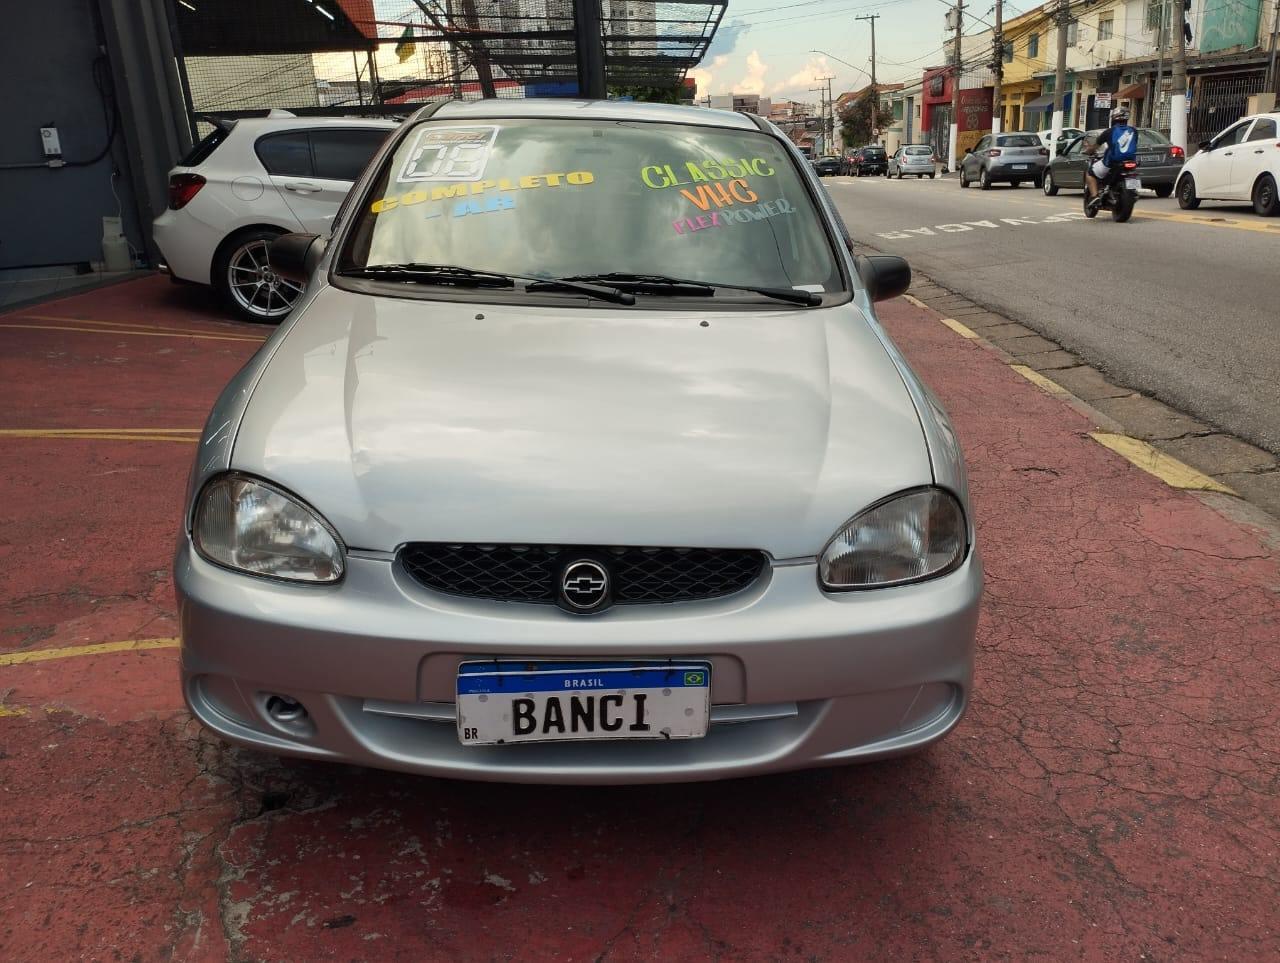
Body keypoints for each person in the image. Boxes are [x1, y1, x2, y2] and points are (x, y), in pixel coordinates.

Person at [1085, 107, 1138, 209]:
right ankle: (1133, 191)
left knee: (1090, 173)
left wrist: (1088, 151)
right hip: (1131, 162)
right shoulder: (1134, 131)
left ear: (1114, 118)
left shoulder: (1109, 132)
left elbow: (1095, 146)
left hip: (1112, 162)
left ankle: (1095, 196)